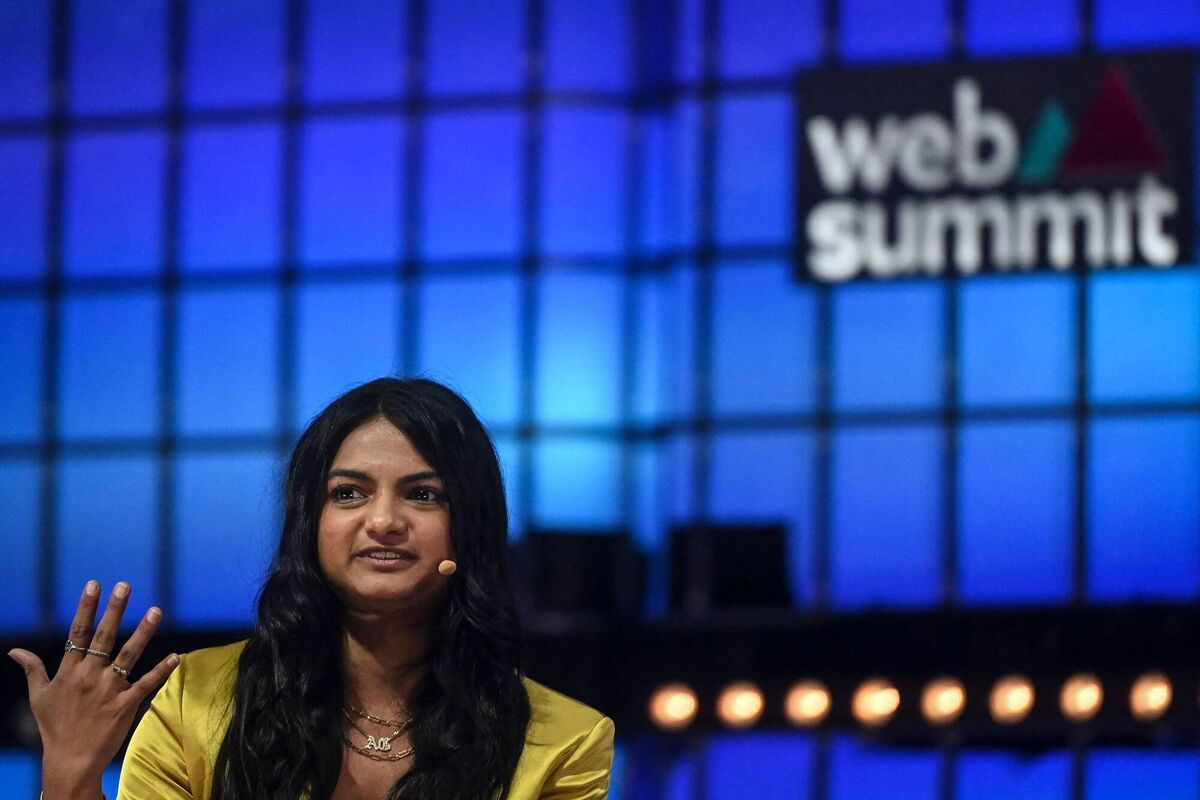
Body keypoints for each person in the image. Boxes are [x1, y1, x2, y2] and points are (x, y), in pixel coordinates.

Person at [11, 377, 614, 799]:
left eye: (422, 494)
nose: (383, 521)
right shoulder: (195, 701)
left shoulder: (566, 742)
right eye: (348, 492)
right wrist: (68, 773)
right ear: (309, 525)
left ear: (471, 528)